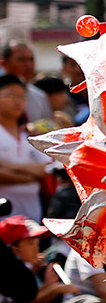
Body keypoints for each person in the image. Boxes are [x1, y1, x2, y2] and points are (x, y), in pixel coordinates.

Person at [0, 74, 52, 220]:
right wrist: (32, 177)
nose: (17, 101)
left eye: (22, 97)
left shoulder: (30, 133)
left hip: (31, 215)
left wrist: (9, 166)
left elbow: (48, 168)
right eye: (10, 95)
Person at [0, 43, 51, 123]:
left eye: (31, 60)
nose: (28, 65)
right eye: (21, 59)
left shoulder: (40, 96)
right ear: (3, 63)